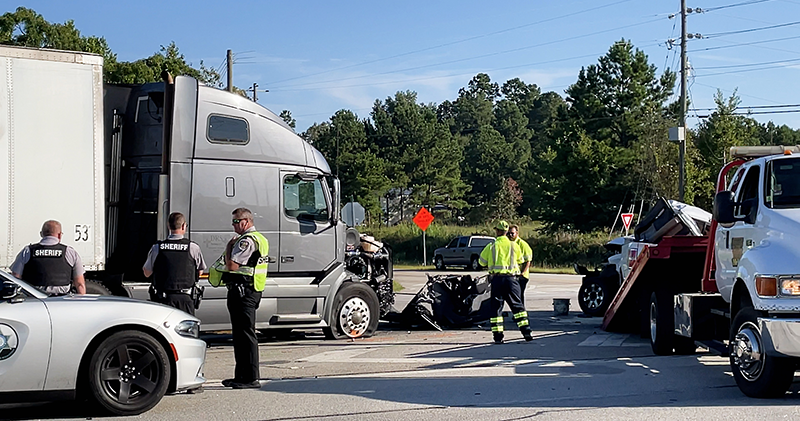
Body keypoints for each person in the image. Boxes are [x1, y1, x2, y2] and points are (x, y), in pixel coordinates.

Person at [208, 207, 269, 389]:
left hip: (244, 292)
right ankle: (241, 376)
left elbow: (232, 266)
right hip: (247, 290)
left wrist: (228, 248)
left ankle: (250, 378)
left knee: (245, 335)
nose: (233, 225)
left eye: (236, 221)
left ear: (246, 222)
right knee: (240, 335)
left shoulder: (247, 241)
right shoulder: (258, 238)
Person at [478, 220, 532, 344]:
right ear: (506, 231)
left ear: (497, 231)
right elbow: (520, 259)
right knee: (517, 306)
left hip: (496, 280)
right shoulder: (514, 245)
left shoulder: (491, 246)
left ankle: (498, 337)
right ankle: (526, 333)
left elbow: (481, 262)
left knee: (496, 309)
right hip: (512, 280)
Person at [142, 212, 206, 316]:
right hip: (185, 299)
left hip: (163, 299)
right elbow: (199, 272)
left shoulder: (157, 248)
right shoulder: (193, 247)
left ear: (168, 226)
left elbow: (147, 273)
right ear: (183, 226)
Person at [10, 220, 86, 296]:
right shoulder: (70, 252)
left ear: (41, 234)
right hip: (62, 300)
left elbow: (16, 278)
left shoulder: (27, 251)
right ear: (59, 235)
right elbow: (80, 284)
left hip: (34, 300)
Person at [507, 224, 533, 305]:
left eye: (512, 233)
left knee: (518, 296)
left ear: (517, 233)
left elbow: (527, 261)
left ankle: (521, 313)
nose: (510, 235)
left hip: (521, 276)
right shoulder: (508, 243)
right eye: (508, 233)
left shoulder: (522, 244)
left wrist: (522, 273)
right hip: (512, 274)